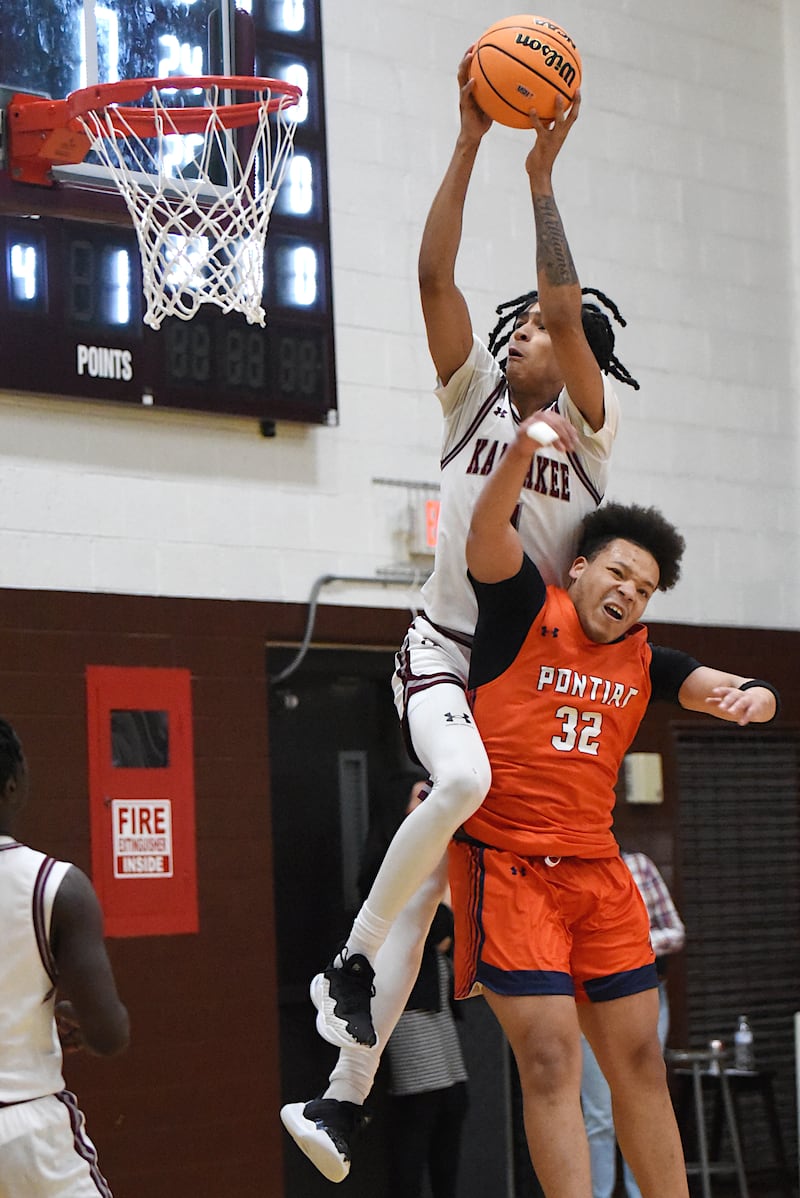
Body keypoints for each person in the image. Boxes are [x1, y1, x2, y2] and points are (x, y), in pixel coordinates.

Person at [282, 48, 639, 1179]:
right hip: (440, 658)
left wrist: (545, 178)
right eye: (522, 328)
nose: (524, 331)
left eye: (541, 328)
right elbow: (431, 272)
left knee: (436, 893)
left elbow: (565, 304)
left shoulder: (586, 433)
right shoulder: (473, 401)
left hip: (519, 695)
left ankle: (339, 1097)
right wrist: (473, 138)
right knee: (463, 791)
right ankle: (345, 960)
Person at [446, 416, 780, 1198]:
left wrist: (752, 701)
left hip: (596, 874)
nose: (628, 592)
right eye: (619, 573)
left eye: (644, 587)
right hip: (509, 866)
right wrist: (522, 451)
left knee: (638, 1062)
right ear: (582, 566)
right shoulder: (525, 607)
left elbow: (726, 689)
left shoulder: (646, 660)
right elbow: (487, 528)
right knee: (554, 1058)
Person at [0, 718, 130, 1198]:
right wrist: (69, 1018)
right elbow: (109, 1033)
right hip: (26, 1127)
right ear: (12, 785)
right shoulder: (58, 887)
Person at [580, 851, 685, 1198]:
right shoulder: (565, 868)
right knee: (598, 1114)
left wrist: (629, 945)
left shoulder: (638, 865)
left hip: (645, 992)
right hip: (587, 1000)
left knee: (643, 1100)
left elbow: (675, 930)